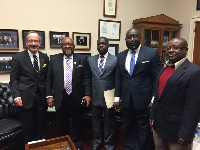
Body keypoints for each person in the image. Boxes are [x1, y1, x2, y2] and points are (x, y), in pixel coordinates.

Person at [114, 28, 161, 150]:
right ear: (125, 39)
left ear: (140, 38)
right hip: (126, 99)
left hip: (144, 100)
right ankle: (129, 147)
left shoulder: (151, 53)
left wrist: (154, 98)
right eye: (129, 37)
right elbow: (119, 78)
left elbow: (157, 78)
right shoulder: (120, 56)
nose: (132, 39)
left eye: (135, 36)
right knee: (128, 126)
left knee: (143, 128)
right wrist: (116, 97)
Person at [150, 38, 200, 150]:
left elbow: (193, 107)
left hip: (177, 131)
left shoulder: (194, 72)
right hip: (159, 126)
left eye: (175, 48)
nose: (170, 50)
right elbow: (158, 95)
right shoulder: (165, 67)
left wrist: (186, 133)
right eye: (168, 48)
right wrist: (153, 114)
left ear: (185, 50)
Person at [46, 37, 91, 150]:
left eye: (70, 44)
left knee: (77, 122)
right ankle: (63, 143)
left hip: (76, 96)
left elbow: (87, 78)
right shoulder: (54, 59)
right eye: (65, 44)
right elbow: (49, 79)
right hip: (60, 97)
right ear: (61, 46)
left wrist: (87, 94)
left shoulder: (82, 59)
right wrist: (49, 95)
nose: (68, 46)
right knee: (62, 123)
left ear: (74, 47)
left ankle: (77, 144)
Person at [10, 31, 49, 143]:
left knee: (41, 125)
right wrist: (16, 96)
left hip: (41, 97)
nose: (33, 43)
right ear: (26, 42)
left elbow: (47, 78)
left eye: (36, 41)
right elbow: (14, 80)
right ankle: (30, 146)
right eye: (31, 41)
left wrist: (49, 95)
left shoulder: (44, 57)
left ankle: (40, 145)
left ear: (39, 43)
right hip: (25, 98)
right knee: (28, 127)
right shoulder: (18, 57)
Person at [88, 37, 117, 150]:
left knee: (109, 122)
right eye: (99, 44)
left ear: (108, 45)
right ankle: (96, 142)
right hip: (95, 94)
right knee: (95, 121)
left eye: (103, 44)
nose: (101, 46)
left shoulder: (115, 60)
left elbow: (117, 79)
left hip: (109, 94)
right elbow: (88, 79)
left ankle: (108, 143)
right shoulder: (91, 60)